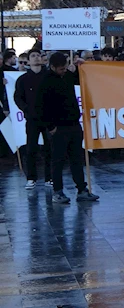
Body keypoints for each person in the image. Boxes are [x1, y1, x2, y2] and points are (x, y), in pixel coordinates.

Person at [35, 52, 99, 204]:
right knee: (57, 160)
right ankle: (58, 191)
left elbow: (81, 79)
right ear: (52, 67)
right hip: (58, 127)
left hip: (73, 125)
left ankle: (82, 189)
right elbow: (40, 107)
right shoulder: (46, 81)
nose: (64, 70)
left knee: (77, 158)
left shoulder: (68, 76)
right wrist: (50, 126)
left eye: (65, 68)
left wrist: (81, 66)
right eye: (61, 69)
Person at [15, 49, 52, 189]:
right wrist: (26, 109)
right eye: (33, 56)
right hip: (32, 119)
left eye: (38, 56)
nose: (36, 58)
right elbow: (18, 97)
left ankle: (49, 177)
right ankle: (31, 178)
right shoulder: (23, 79)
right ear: (28, 61)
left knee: (50, 148)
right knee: (31, 148)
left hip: (49, 118)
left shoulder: (49, 76)